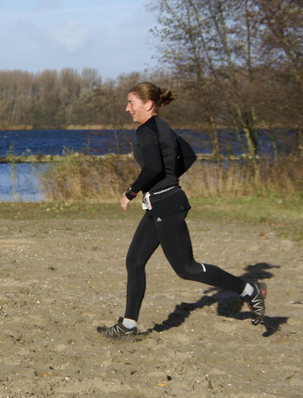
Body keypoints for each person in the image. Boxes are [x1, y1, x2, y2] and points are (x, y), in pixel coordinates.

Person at [97, 82, 267, 339]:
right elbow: (188, 156)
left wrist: (131, 191)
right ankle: (129, 324)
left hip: (167, 205)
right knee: (134, 260)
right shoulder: (162, 127)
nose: (127, 108)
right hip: (159, 204)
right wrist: (167, 180)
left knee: (186, 268)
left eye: (131, 103)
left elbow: (153, 168)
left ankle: (249, 290)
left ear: (148, 105)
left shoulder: (146, 130)